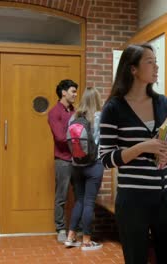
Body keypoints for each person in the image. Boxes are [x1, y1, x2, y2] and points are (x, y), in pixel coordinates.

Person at [99, 43, 167, 264]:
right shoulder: (114, 108)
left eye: (156, 62)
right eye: (150, 62)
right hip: (133, 200)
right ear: (133, 69)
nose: (156, 67)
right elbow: (106, 159)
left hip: (166, 196)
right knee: (136, 257)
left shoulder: (163, 103)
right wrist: (142, 147)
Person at [64, 87, 105, 251]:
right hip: (94, 165)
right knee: (89, 202)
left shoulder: (73, 117)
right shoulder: (99, 117)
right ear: (97, 100)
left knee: (79, 201)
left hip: (76, 166)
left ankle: (70, 237)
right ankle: (86, 241)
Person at [47, 79, 78, 242]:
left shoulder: (75, 111)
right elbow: (60, 137)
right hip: (63, 160)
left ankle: (76, 229)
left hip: (78, 160)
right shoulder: (54, 112)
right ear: (63, 92)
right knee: (62, 196)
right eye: (73, 91)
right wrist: (77, 136)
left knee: (80, 195)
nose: (75, 95)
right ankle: (60, 229)